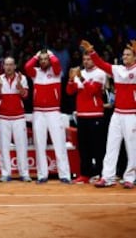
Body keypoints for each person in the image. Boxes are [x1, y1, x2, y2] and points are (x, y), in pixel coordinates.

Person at [80, 39, 136, 189]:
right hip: (117, 114)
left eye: (128, 54)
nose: (124, 57)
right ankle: (108, 177)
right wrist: (92, 51)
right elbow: (101, 64)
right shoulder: (118, 69)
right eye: (124, 54)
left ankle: (130, 177)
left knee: (132, 147)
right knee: (111, 145)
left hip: (132, 115)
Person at [24, 49, 71, 184]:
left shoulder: (56, 72)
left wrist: (49, 53)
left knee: (59, 143)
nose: (43, 61)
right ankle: (41, 175)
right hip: (38, 112)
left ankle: (65, 175)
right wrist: (36, 55)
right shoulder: (36, 73)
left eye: (46, 59)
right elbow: (27, 66)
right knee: (39, 144)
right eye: (42, 59)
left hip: (53, 112)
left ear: (50, 60)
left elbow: (56, 63)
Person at [66, 53, 107, 184]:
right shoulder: (81, 73)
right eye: (84, 59)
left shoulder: (100, 73)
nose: (86, 61)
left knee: (98, 148)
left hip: (96, 115)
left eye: (89, 59)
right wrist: (71, 79)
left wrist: (80, 78)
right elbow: (69, 91)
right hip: (81, 115)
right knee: (84, 148)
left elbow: (92, 91)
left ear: (94, 60)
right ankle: (85, 174)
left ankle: (102, 174)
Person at [0, 56, 31, 183]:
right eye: (6, 65)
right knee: (4, 146)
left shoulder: (22, 78)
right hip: (3, 117)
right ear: (3, 66)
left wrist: (19, 86)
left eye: (10, 64)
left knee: (22, 146)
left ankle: (24, 173)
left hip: (18, 116)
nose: (8, 67)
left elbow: (25, 96)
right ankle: (5, 173)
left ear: (15, 66)